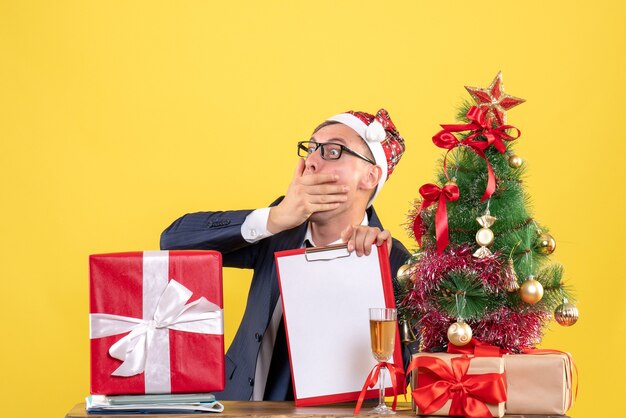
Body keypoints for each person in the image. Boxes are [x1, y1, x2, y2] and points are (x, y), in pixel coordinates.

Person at [160, 108, 410, 401]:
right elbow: (173, 241)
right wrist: (272, 219)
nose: (312, 162)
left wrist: (369, 276)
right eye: (311, 148)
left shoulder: (397, 264)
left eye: (332, 151)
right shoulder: (277, 228)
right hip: (237, 404)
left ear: (370, 176)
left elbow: (407, 370)